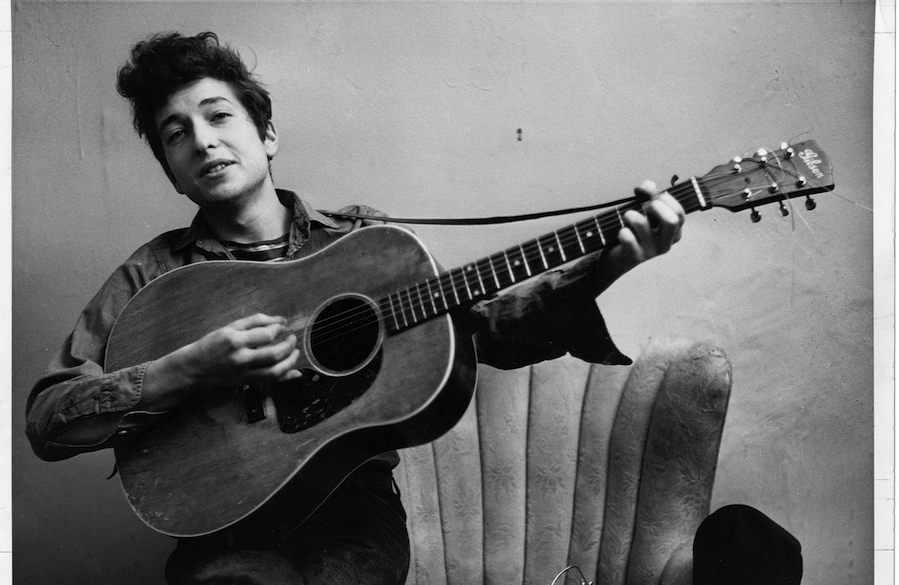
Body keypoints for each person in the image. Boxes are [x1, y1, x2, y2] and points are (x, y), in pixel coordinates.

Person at [25, 32, 685, 584]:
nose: (202, 140)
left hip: (351, 514)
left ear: (268, 133)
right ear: (170, 167)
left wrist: (607, 265)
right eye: (177, 133)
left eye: (218, 115)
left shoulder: (363, 246)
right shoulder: (151, 275)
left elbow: (487, 330)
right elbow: (49, 419)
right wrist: (194, 365)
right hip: (220, 530)